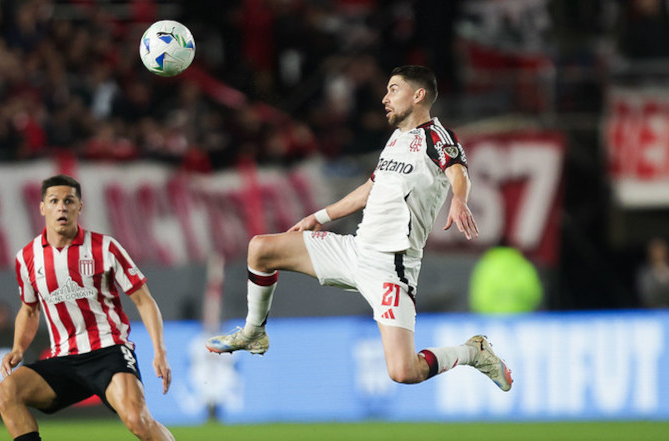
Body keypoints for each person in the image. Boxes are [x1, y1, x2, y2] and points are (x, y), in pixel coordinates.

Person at [206, 65, 513, 392]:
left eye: (394, 89)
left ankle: (473, 352)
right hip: (354, 250)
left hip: (391, 270)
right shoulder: (397, 139)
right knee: (262, 249)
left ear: (419, 95)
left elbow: (457, 170)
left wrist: (459, 199)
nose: (385, 98)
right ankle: (254, 332)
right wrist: (319, 216)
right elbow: (371, 187)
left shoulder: (436, 136)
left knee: (403, 371)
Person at [0, 174, 215, 441]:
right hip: (64, 359)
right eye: (54, 201)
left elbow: (143, 298)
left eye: (69, 201)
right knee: (6, 391)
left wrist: (159, 351)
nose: (61, 207)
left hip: (108, 351)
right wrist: (18, 348)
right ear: (42, 208)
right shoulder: (27, 258)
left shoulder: (105, 248)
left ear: (80, 207)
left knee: (138, 420)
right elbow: (29, 308)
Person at [469, 245, 542, 314]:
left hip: (490, 320)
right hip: (521, 318)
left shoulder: (486, 265)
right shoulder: (524, 265)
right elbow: (534, 295)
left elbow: (479, 298)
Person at [636, 237, 669, 308]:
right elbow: (646, 296)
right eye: (655, 250)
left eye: (661, 250)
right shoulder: (644, 273)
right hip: (651, 312)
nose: (659, 253)